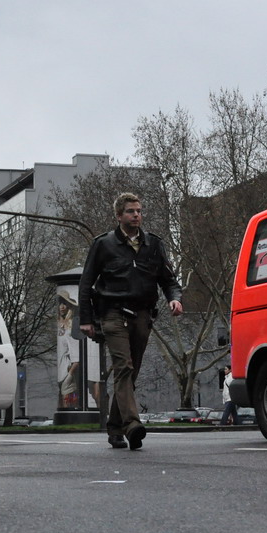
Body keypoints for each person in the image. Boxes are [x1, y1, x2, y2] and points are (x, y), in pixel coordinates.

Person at [78, 192, 183, 450]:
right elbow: (85, 282)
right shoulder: (103, 244)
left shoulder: (154, 245)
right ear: (119, 216)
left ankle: (114, 427)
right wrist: (86, 319)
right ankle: (132, 425)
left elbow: (168, 280)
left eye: (138, 210)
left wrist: (174, 298)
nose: (136, 215)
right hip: (113, 314)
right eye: (130, 211)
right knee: (123, 367)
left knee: (131, 373)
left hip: (143, 315)